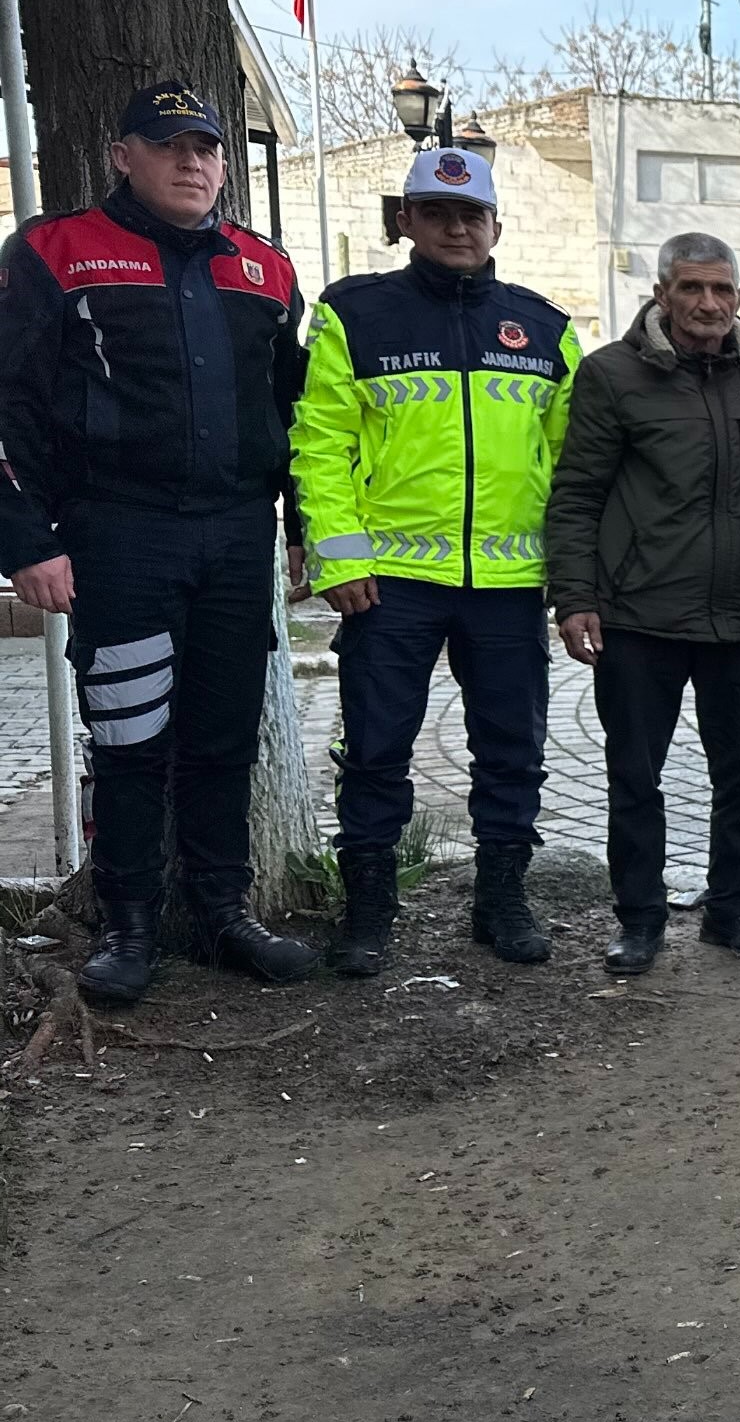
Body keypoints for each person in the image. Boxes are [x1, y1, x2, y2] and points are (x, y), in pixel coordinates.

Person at [0, 80, 313, 1003]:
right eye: (169, 143)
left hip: (232, 538)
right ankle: (129, 925)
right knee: (131, 736)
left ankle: (222, 914)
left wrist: (301, 525)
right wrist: (24, 541)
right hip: (117, 535)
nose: (192, 162)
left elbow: (291, 408)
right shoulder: (54, 253)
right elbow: (6, 403)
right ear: (122, 155)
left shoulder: (265, 267)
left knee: (222, 737)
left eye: (207, 148)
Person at [292, 144, 579, 977]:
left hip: (507, 584)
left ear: (495, 225)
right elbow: (321, 444)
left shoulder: (546, 327)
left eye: (473, 215)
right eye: (438, 212)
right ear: (406, 220)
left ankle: (502, 900)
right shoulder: (356, 314)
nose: (458, 227)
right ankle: (370, 909)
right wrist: (341, 558)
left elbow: (572, 467)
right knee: (377, 749)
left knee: (512, 752)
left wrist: (569, 579)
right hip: (391, 584)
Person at [545, 233, 740, 976]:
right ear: (662, 293)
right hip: (637, 613)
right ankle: (640, 918)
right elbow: (577, 493)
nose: (708, 304)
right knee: (635, 773)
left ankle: (732, 909)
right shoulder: (611, 375)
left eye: (722, 290)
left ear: (739, 298)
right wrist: (575, 596)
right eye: (692, 288)